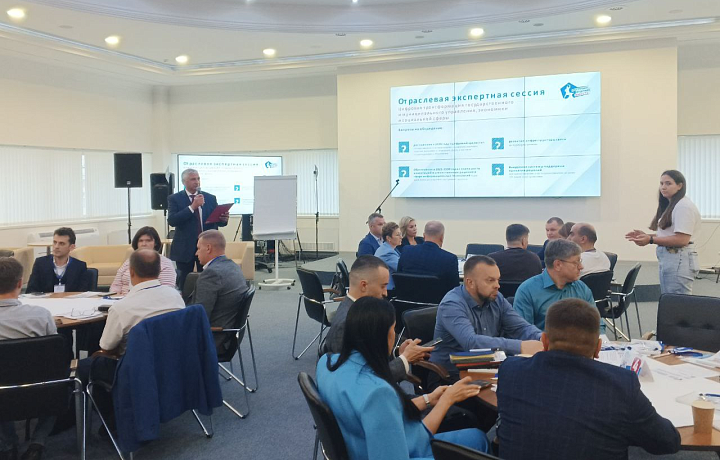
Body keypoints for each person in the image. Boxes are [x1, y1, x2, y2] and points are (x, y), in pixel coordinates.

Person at [497, 299, 681, 460]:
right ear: (598, 347)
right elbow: (667, 442)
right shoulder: (620, 386)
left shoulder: (510, 371)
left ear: (544, 341)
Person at [317, 297, 490, 460]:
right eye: (393, 329)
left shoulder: (327, 363)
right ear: (383, 337)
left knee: (477, 437)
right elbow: (408, 443)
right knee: (478, 445)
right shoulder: (378, 393)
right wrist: (447, 400)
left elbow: (381, 414)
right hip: (392, 451)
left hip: (363, 443)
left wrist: (428, 399)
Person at [77, 249, 185, 431]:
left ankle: (113, 420)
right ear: (159, 271)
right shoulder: (175, 296)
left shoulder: (122, 308)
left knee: (84, 367)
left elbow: (106, 347)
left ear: (131, 272)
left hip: (135, 368)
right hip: (171, 361)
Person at [429, 255, 543, 379]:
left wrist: (543, 338)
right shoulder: (452, 304)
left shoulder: (496, 298)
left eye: (498, 280)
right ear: (470, 283)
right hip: (449, 375)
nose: (497, 285)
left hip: (486, 369)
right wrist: (520, 346)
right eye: (490, 280)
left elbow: (520, 328)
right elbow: (471, 342)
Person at [324, 256, 430, 382]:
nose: (385, 293)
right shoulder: (346, 325)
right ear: (364, 285)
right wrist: (404, 360)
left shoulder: (359, 311)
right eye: (383, 286)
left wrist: (397, 351)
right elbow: (362, 380)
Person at [0, 258, 58, 460]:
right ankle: (37, 442)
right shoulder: (41, 316)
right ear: (20, 283)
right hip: (40, 392)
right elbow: (54, 355)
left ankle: (8, 445)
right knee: (60, 378)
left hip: (2, 393)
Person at [626, 170, 701, 295]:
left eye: (668, 183)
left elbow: (682, 239)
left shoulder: (683, 206)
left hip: (679, 259)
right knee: (670, 299)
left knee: (676, 301)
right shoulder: (673, 204)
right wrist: (646, 236)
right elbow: (670, 235)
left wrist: (650, 240)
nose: (663, 187)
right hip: (672, 258)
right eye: (661, 183)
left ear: (680, 186)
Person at [513, 239, 595, 330]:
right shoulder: (527, 290)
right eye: (576, 262)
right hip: (543, 339)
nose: (581, 267)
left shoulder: (581, 288)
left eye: (580, 261)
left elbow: (596, 324)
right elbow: (523, 330)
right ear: (558, 265)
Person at [168, 168, 229, 290]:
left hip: (207, 247)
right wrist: (192, 207)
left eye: (198, 178)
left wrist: (223, 219)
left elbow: (216, 222)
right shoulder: (175, 198)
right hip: (185, 247)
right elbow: (172, 220)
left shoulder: (210, 198)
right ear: (184, 182)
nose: (196, 182)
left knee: (208, 279)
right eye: (192, 179)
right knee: (184, 281)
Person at [192, 230, 248, 354]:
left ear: (208, 248)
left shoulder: (211, 274)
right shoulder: (234, 267)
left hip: (214, 338)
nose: (196, 253)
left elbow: (199, 316)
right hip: (230, 336)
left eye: (198, 248)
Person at [397, 221, 459, 297]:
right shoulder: (450, 259)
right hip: (436, 303)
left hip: (405, 301)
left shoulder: (406, 251)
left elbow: (399, 276)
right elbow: (454, 290)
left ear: (424, 236)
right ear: (442, 237)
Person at [110, 226, 176, 295]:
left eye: (148, 240)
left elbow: (166, 290)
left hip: (150, 298)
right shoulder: (128, 261)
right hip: (121, 298)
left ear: (155, 243)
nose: (144, 244)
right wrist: (116, 295)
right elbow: (116, 285)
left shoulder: (165, 263)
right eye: (140, 241)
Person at [26, 227, 89, 294]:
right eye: (55, 242)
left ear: (72, 247)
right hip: (45, 300)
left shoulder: (80, 266)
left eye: (61, 243)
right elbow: (31, 291)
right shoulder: (40, 263)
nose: (56, 246)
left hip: (70, 300)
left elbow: (83, 294)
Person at [374, 222, 402, 295]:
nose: (401, 237)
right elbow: (401, 268)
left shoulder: (385, 248)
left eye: (401, 234)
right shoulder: (388, 253)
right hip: (388, 290)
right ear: (388, 238)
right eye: (398, 235)